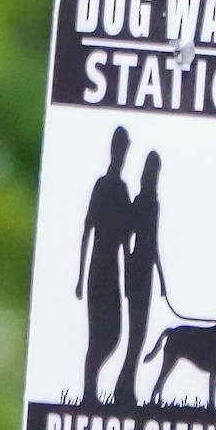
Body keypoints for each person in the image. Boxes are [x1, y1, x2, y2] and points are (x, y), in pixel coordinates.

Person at [76, 126, 132, 404]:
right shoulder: (102, 185)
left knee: (113, 333)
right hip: (98, 267)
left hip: (113, 269)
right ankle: (89, 393)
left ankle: (91, 391)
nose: (120, 154)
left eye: (124, 149)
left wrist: (130, 274)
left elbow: (125, 239)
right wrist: (79, 275)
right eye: (118, 148)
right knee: (98, 332)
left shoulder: (122, 189)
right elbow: (87, 229)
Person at [115, 151, 168, 406]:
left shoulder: (153, 203)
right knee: (136, 333)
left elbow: (153, 243)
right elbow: (128, 237)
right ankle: (123, 388)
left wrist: (162, 279)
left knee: (140, 333)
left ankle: (126, 386)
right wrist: (128, 266)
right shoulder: (142, 202)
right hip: (138, 269)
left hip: (145, 270)